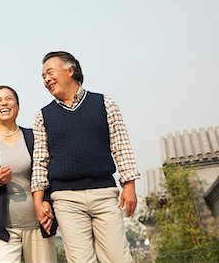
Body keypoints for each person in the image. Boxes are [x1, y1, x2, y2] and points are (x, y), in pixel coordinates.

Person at [31, 51, 141, 263]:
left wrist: (129, 186)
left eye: (50, 72)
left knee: (119, 258)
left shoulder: (104, 104)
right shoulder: (42, 116)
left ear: (70, 70)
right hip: (66, 199)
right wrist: (39, 202)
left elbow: (121, 146)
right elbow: (40, 162)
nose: (46, 79)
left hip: (105, 194)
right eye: (43, 76)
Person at [0, 85, 57, 263]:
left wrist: (47, 200)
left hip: (39, 223)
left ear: (18, 106)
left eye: (9, 99)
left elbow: (50, 174)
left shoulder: (35, 138)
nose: (4, 103)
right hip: (3, 229)